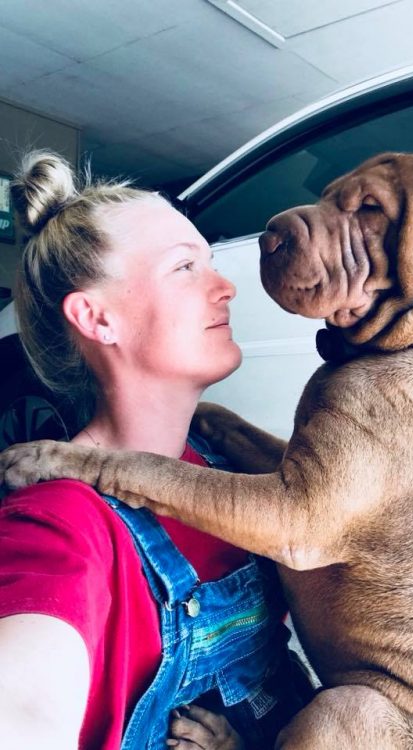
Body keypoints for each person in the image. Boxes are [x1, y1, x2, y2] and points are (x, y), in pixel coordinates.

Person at [0, 151, 312, 750]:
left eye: (211, 263)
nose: (225, 288)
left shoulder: (222, 456)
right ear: (97, 317)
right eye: (184, 267)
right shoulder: (60, 524)